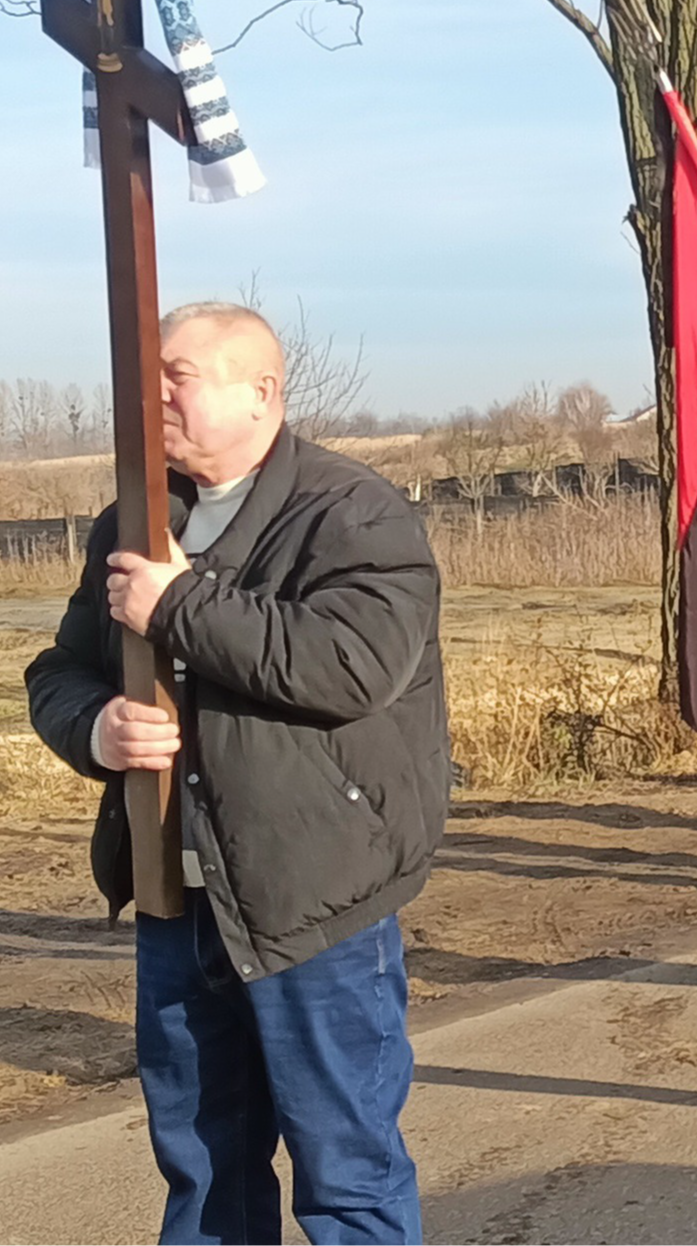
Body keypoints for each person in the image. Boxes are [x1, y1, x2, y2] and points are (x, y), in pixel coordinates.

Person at [25, 303, 446, 1242]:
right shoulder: (132, 522)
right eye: (145, 377)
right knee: (206, 1175)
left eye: (175, 376)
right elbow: (60, 670)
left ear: (261, 392)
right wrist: (96, 728)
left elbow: (351, 665)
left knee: (348, 1175)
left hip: (314, 904)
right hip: (175, 902)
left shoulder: (351, 512)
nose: (152, 397)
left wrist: (177, 601)